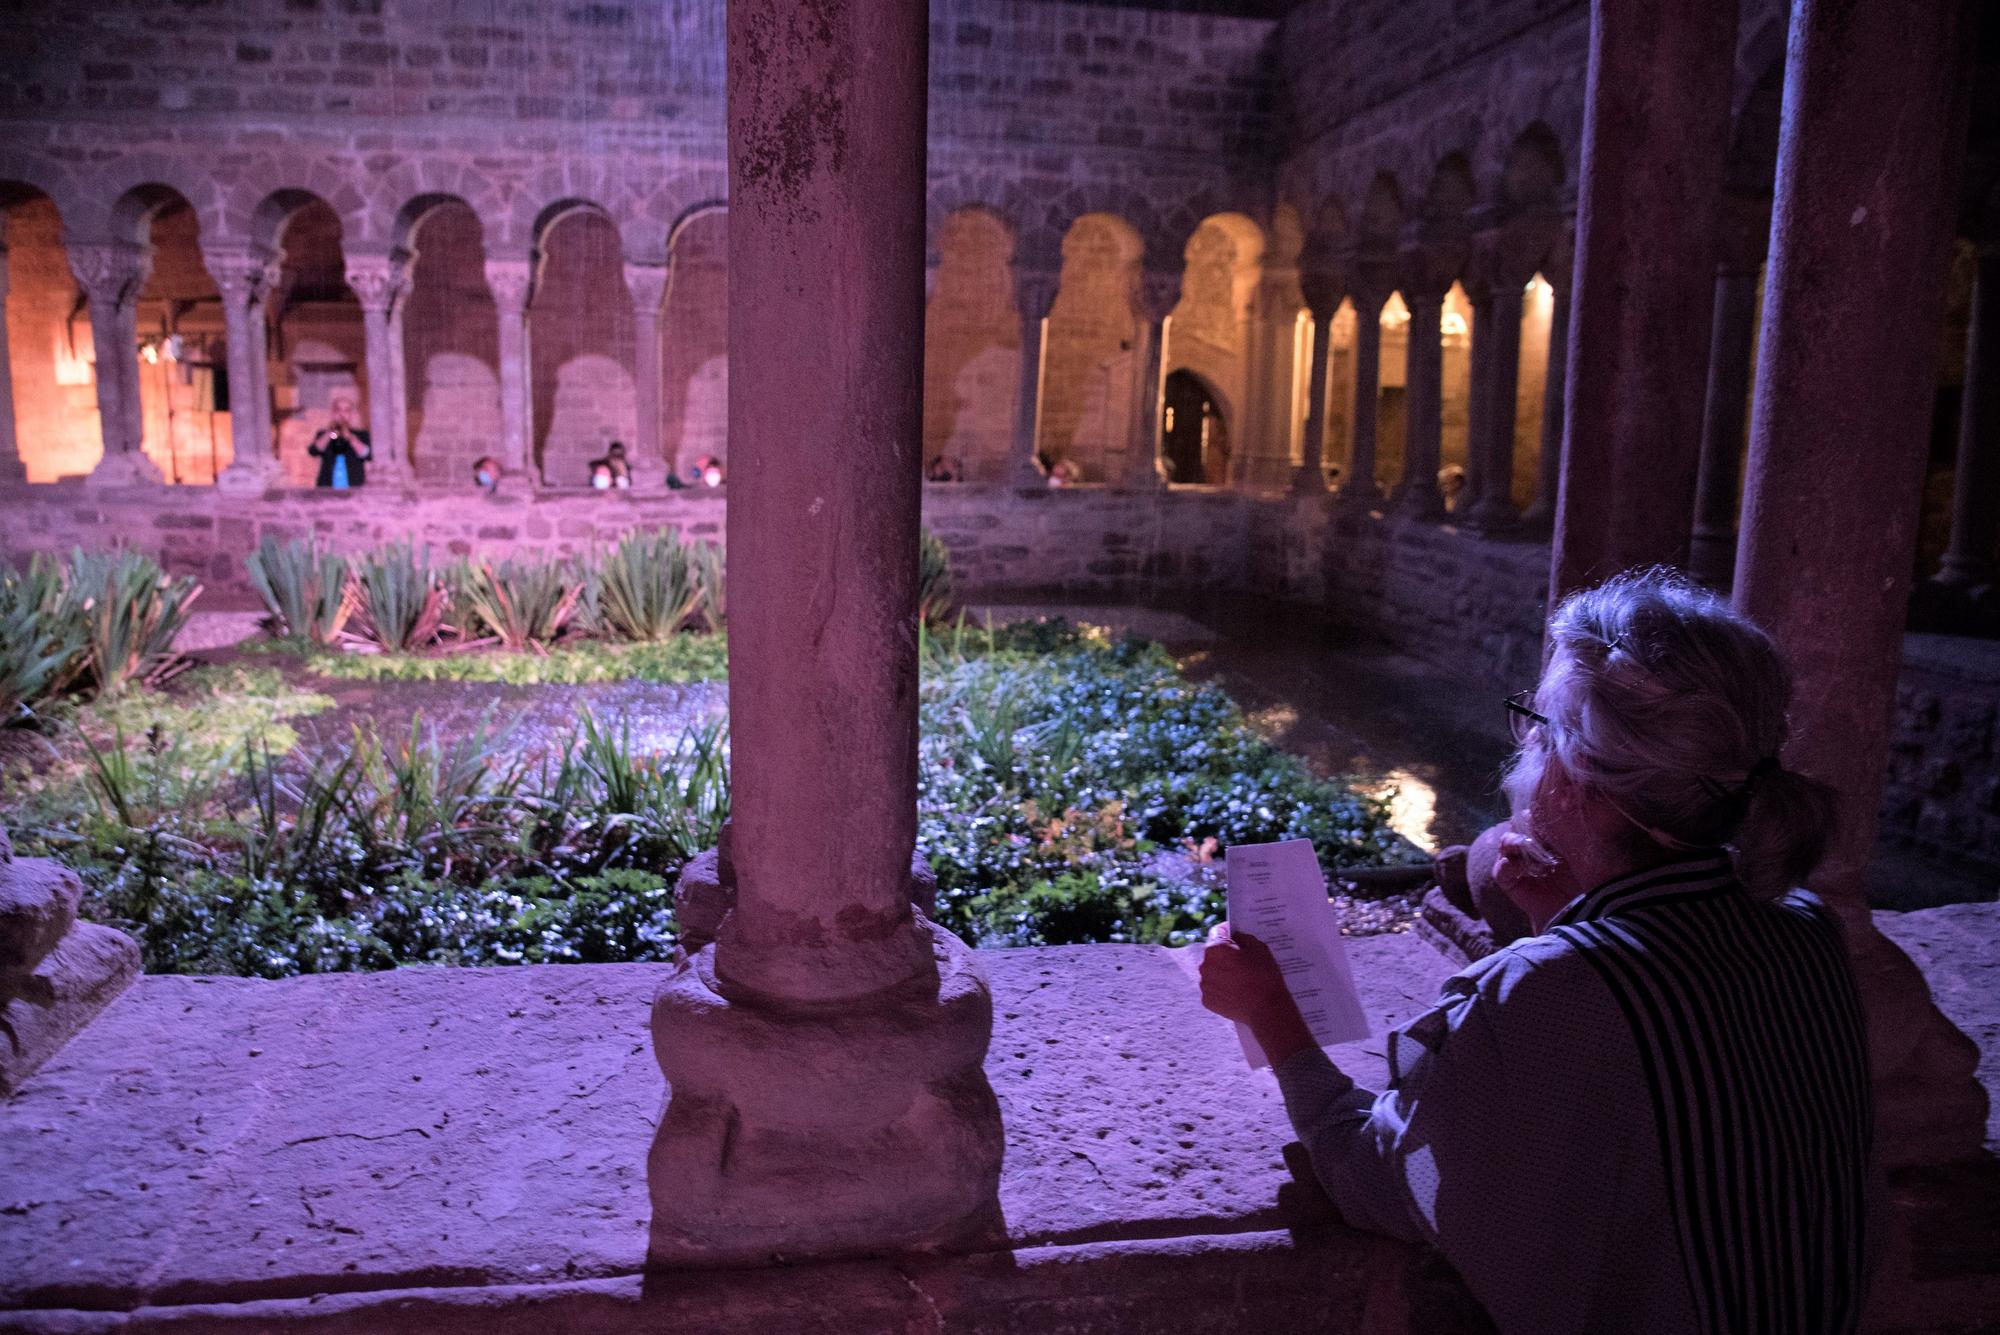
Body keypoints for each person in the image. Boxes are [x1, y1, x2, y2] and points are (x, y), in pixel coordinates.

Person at [1201, 569, 1871, 1335]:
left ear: (1585, 778)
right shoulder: (1806, 926)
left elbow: (1385, 1180)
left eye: (1539, 725)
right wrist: (1563, 917)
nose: (1528, 747)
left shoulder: (1542, 992)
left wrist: (1273, 1014)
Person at [307, 397, 372, 489]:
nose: (342, 414)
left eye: (346, 411)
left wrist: (350, 437)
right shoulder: (325, 434)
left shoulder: (361, 435)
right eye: (338, 410)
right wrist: (330, 432)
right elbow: (313, 451)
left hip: (354, 488)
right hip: (327, 488)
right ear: (333, 413)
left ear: (351, 415)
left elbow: (367, 454)